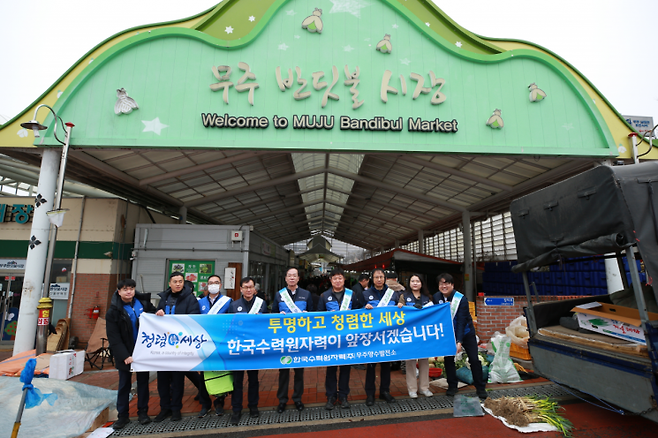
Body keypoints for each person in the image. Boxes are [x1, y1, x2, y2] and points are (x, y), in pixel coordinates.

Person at [106, 278, 156, 429]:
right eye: (125, 289)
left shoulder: (143, 303)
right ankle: (123, 416)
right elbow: (113, 337)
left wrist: (158, 312)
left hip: (142, 352)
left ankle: (143, 413)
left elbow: (154, 315)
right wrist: (124, 355)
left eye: (131, 288)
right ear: (119, 291)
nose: (129, 291)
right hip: (126, 354)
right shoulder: (114, 311)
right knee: (124, 385)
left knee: (143, 383)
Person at [153, 272, 201, 422]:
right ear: (170, 283)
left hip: (181, 346)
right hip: (164, 346)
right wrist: (157, 313)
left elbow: (194, 317)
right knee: (162, 380)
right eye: (175, 281)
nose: (178, 284)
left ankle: (176, 409)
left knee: (178, 379)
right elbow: (155, 319)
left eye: (181, 281)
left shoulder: (190, 299)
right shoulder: (164, 298)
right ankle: (164, 408)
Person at [433, 273, 487, 400]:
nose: (444, 286)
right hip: (448, 334)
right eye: (441, 283)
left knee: (474, 359)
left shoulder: (460, 299)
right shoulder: (436, 297)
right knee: (448, 360)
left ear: (452, 285)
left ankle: (480, 388)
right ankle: (452, 386)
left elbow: (462, 321)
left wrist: (459, 341)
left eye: (447, 283)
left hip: (467, 333)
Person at [317, 267, 361, 410]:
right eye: (334, 278)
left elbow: (358, 313)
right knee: (331, 369)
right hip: (331, 339)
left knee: (345, 368)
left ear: (344, 279)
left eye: (340, 278)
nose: (337, 281)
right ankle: (330, 396)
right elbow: (318, 317)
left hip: (347, 338)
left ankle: (343, 396)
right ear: (331, 280)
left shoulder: (352, 294)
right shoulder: (324, 296)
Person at [228, 277, 268, 425]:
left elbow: (267, 324)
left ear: (255, 289)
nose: (249, 290)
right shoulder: (234, 305)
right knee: (237, 381)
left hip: (255, 348)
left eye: (251, 287)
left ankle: (253, 406)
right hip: (238, 349)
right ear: (241, 289)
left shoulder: (262, 304)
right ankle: (236, 410)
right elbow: (229, 326)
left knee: (253, 380)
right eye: (245, 287)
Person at [272, 267, 313, 413]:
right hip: (284, 339)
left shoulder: (306, 294)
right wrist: (279, 314)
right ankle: (282, 400)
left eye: (294, 276)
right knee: (283, 371)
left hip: (300, 339)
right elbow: (273, 315)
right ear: (285, 278)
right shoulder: (279, 295)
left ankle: (297, 399)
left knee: (299, 372)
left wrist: (307, 315)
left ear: (298, 278)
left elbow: (313, 317)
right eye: (289, 275)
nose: (291, 278)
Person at [362, 268, 399, 406]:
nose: (379, 279)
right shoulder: (365, 294)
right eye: (376, 277)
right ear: (372, 278)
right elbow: (358, 312)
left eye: (381, 277)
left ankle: (385, 391)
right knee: (371, 366)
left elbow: (397, 312)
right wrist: (364, 307)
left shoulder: (393, 294)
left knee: (385, 365)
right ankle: (370, 394)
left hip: (387, 335)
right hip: (371, 336)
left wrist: (400, 306)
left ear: (385, 278)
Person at [197, 274, 232, 417]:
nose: (213, 285)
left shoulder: (228, 302)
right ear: (207, 285)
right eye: (211, 282)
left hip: (220, 343)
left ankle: (219, 402)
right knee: (202, 375)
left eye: (216, 282)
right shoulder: (199, 302)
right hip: (203, 343)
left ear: (221, 285)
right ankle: (205, 404)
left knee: (219, 373)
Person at [398, 274, 434, 398]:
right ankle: (412, 389)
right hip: (409, 333)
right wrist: (401, 308)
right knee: (410, 362)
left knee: (424, 361)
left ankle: (424, 388)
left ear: (421, 283)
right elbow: (399, 314)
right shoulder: (403, 297)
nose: (415, 283)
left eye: (417, 281)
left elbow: (433, 313)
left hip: (423, 333)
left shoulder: (427, 298)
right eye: (412, 281)